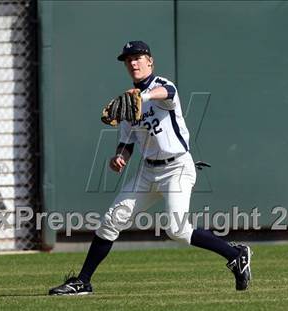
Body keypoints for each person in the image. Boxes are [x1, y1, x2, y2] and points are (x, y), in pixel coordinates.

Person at [49, 41, 252, 295]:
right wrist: (119, 157)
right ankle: (83, 281)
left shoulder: (162, 88)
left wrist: (141, 96)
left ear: (150, 61)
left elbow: (166, 93)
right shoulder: (126, 104)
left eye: (137, 57)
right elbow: (126, 143)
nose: (132, 63)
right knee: (111, 221)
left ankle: (236, 255)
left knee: (177, 229)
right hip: (147, 172)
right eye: (128, 60)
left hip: (177, 167)